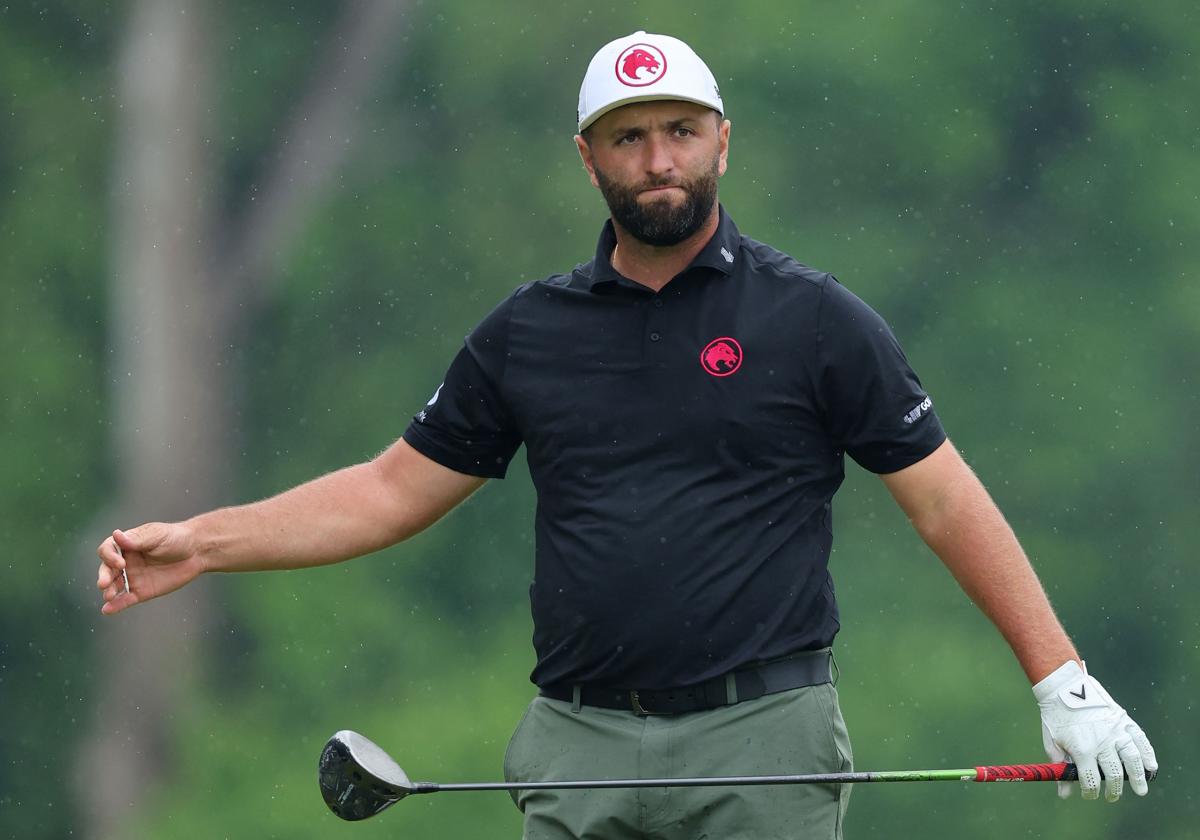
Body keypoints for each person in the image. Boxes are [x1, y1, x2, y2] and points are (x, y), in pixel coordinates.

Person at [97, 31, 1156, 840]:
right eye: (629, 136)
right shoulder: (529, 332)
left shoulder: (814, 320)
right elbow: (387, 490)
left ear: (722, 140)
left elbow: (942, 498)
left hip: (762, 739)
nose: (659, 159)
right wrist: (203, 541)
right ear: (588, 155)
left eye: (681, 131)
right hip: (577, 736)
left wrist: (1058, 678)